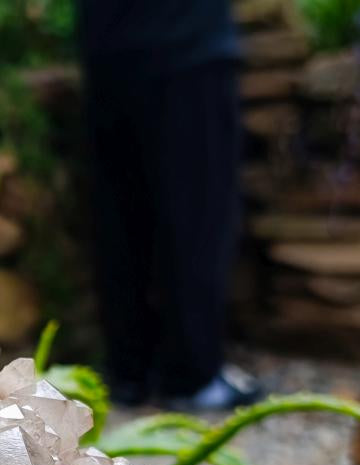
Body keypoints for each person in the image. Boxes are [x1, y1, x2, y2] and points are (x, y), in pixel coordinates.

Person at [77, 0, 262, 410]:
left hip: (109, 50)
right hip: (188, 47)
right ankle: (191, 375)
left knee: (120, 216)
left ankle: (129, 371)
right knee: (199, 215)